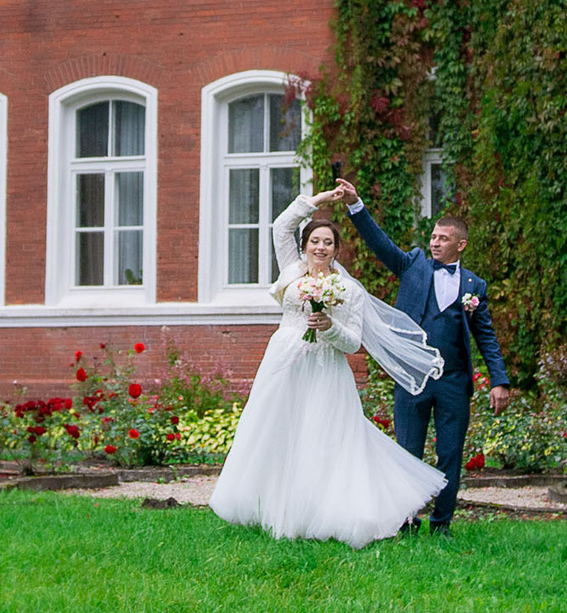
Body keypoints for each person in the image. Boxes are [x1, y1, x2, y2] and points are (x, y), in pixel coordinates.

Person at [208, 183, 449, 547]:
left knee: (323, 438)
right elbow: (279, 227)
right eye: (314, 241)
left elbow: (353, 341)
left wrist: (329, 327)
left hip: (325, 367)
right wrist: (318, 202)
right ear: (304, 246)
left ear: (336, 250)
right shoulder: (291, 269)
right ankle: (276, 510)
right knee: (278, 433)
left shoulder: (347, 289)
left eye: (328, 243)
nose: (320, 248)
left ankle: (326, 513)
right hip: (284, 363)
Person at [340, 181, 512, 533]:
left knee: (450, 454)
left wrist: (500, 381)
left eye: (443, 238)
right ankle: (404, 521)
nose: (434, 242)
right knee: (407, 453)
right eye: (433, 236)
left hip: (454, 381)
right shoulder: (413, 265)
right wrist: (356, 205)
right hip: (412, 377)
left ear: (460, 245)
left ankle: (442, 524)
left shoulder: (474, 287)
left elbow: (486, 337)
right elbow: (379, 243)